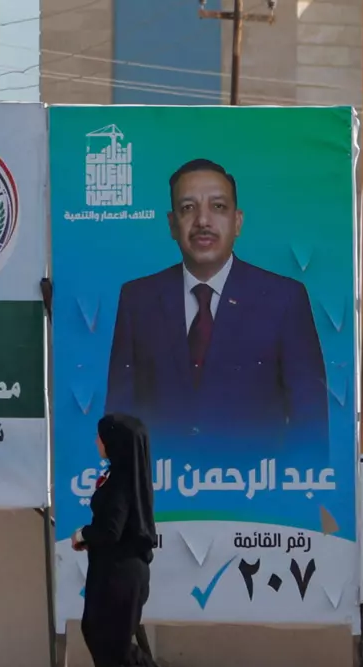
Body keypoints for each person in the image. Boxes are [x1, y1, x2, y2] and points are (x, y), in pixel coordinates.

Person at [105, 158, 329, 466]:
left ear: (238, 222)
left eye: (218, 207)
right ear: (172, 224)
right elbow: (119, 419)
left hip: (257, 489)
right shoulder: (137, 300)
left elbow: (311, 423)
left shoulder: (284, 299)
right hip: (161, 488)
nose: (203, 221)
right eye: (188, 208)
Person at [72, 413, 188, 667]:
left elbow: (110, 530)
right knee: (105, 638)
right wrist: (91, 540)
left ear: (115, 442)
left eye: (101, 436)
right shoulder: (123, 477)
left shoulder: (122, 482)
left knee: (111, 640)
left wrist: (83, 534)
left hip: (119, 573)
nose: (97, 441)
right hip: (114, 569)